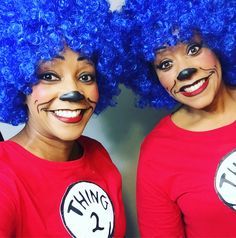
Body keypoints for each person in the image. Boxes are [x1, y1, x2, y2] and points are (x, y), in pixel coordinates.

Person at [0, 0, 126, 237]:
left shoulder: (97, 153)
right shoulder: (4, 178)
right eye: (49, 75)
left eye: (86, 76)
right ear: (18, 83)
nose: (73, 91)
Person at [122, 0, 236, 237]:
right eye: (165, 63)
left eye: (193, 49)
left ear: (218, 43)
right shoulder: (158, 153)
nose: (184, 71)